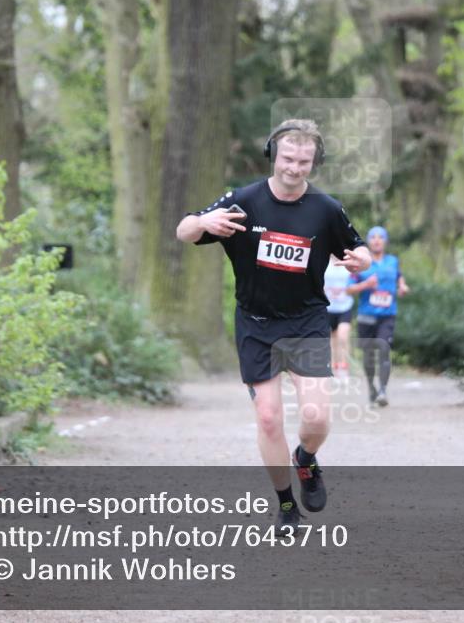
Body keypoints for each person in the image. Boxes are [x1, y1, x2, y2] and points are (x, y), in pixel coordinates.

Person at [175, 119, 371, 535]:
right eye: (287, 158)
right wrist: (204, 224)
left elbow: (359, 249)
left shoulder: (326, 209)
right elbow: (184, 230)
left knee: (316, 418)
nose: (294, 168)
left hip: (307, 321)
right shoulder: (242, 201)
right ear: (272, 154)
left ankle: (305, 459)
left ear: (314, 162)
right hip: (256, 323)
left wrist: (362, 260)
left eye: (304, 161)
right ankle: (285, 506)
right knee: (267, 418)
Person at [347, 226, 409, 407]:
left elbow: (399, 277)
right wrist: (366, 284)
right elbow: (349, 289)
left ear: (385, 241)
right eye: (372, 237)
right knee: (368, 356)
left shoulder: (393, 261)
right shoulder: (361, 263)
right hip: (366, 316)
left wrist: (402, 286)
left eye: (380, 237)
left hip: (387, 315)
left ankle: (382, 389)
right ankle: (371, 388)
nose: (376, 240)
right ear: (368, 241)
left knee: (383, 349)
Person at [323, 256, 355, 380]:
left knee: (342, 336)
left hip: (344, 307)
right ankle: (333, 369)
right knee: (331, 341)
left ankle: (343, 369)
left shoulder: (349, 262)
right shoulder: (324, 261)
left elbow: (355, 280)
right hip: (328, 308)